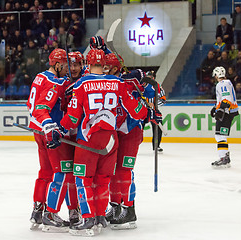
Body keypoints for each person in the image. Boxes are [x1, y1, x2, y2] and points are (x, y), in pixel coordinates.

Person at [54, 49, 161, 236]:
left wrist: (59, 130)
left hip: (88, 139)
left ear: (88, 64)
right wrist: (149, 112)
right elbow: (135, 110)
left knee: (83, 179)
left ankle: (88, 219)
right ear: (104, 64)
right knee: (103, 179)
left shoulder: (81, 84)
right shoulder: (117, 83)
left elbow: (72, 118)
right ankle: (100, 217)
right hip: (111, 140)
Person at [26, 48, 80, 232]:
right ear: (56, 65)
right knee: (62, 172)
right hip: (50, 133)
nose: (67, 69)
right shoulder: (54, 82)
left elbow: (31, 106)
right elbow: (41, 108)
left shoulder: (39, 77)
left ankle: (37, 211)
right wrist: (51, 126)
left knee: (45, 172)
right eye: (65, 65)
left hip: (37, 131)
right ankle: (51, 214)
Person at [103, 53, 153, 230]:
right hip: (115, 133)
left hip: (131, 132)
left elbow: (154, 92)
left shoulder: (129, 83)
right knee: (112, 171)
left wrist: (145, 88)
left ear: (115, 68)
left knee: (125, 171)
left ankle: (129, 209)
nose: (102, 69)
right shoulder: (106, 83)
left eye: (106, 66)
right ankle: (116, 206)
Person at [210, 66, 239, 168]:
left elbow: (227, 98)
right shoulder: (227, 83)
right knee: (221, 135)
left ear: (216, 75)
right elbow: (223, 98)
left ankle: (223, 158)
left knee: (220, 136)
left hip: (226, 113)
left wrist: (221, 110)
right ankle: (224, 157)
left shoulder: (222, 84)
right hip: (227, 112)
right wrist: (215, 108)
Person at [145, 70, 166, 152]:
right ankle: (133, 144)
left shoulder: (158, 88)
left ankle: (156, 146)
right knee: (136, 127)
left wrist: (154, 104)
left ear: (153, 78)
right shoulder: (142, 87)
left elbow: (163, 100)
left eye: (149, 77)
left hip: (154, 111)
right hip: (142, 110)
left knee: (158, 127)